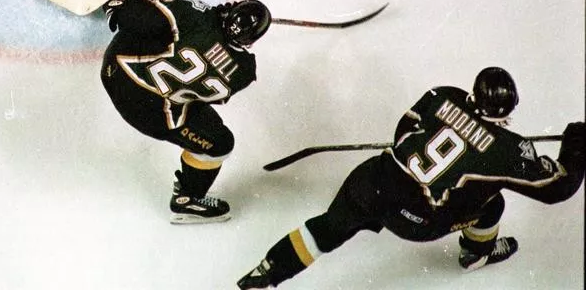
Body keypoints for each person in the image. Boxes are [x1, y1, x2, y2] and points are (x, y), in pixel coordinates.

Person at [237, 66, 585, 288]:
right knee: (492, 202)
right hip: (418, 221)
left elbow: (402, 132)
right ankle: (476, 254)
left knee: (328, 227)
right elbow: (558, 188)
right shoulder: (510, 150)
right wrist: (576, 146)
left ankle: (269, 270)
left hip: (372, 181)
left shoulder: (443, 96)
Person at [99, 0, 271, 223]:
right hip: (151, 116)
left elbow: (147, 13)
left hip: (117, 71)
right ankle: (188, 198)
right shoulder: (243, 73)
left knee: (157, 13)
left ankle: (120, 2)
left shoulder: (194, 14)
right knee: (220, 144)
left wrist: (121, 7)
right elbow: (207, 95)